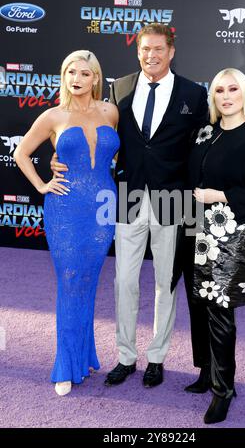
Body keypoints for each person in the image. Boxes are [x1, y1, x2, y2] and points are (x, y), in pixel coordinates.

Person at [51, 23, 208, 388]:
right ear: (137, 52)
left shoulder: (194, 94)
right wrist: (59, 161)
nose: (150, 56)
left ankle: (157, 357)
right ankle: (125, 356)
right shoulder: (119, 88)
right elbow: (97, 136)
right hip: (127, 197)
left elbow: (202, 149)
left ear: (170, 51)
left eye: (157, 49)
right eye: (144, 50)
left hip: (174, 199)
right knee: (124, 282)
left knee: (164, 284)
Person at [172, 68, 245, 423]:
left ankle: (223, 389)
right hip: (195, 229)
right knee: (197, 304)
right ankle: (206, 372)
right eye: (219, 90)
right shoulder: (204, 133)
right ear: (212, 97)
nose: (226, 95)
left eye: (233, 89)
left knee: (219, 311)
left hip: (231, 234)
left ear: (244, 94)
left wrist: (221, 195)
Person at [14, 50, 119, 396]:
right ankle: (65, 364)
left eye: (84, 73)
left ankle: (84, 357)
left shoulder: (110, 111)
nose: (77, 79)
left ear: (96, 78)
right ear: (64, 76)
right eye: (70, 72)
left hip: (103, 208)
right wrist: (43, 183)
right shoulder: (52, 116)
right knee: (70, 281)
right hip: (65, 209)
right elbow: (21, 153)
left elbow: (112, 155)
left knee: (89, 281)